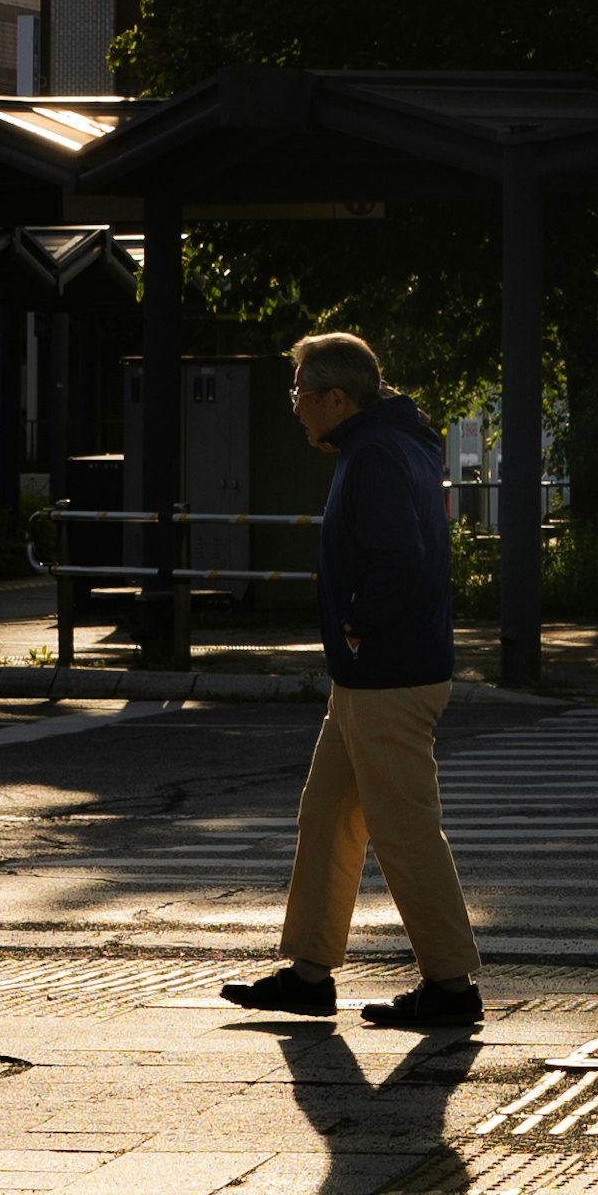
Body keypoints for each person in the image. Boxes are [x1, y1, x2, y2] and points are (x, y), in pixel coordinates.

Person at [222, 332, 484, 1034]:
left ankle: (451, 985)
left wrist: (360, 624)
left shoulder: (374, 454)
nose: (296, 407)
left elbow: (399, 557)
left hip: (387, 674)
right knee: (328, 816)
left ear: (338, 398)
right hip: (373, 674)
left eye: (300, 393)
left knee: (403, 830)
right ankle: (309, 974)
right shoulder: (392, 441)